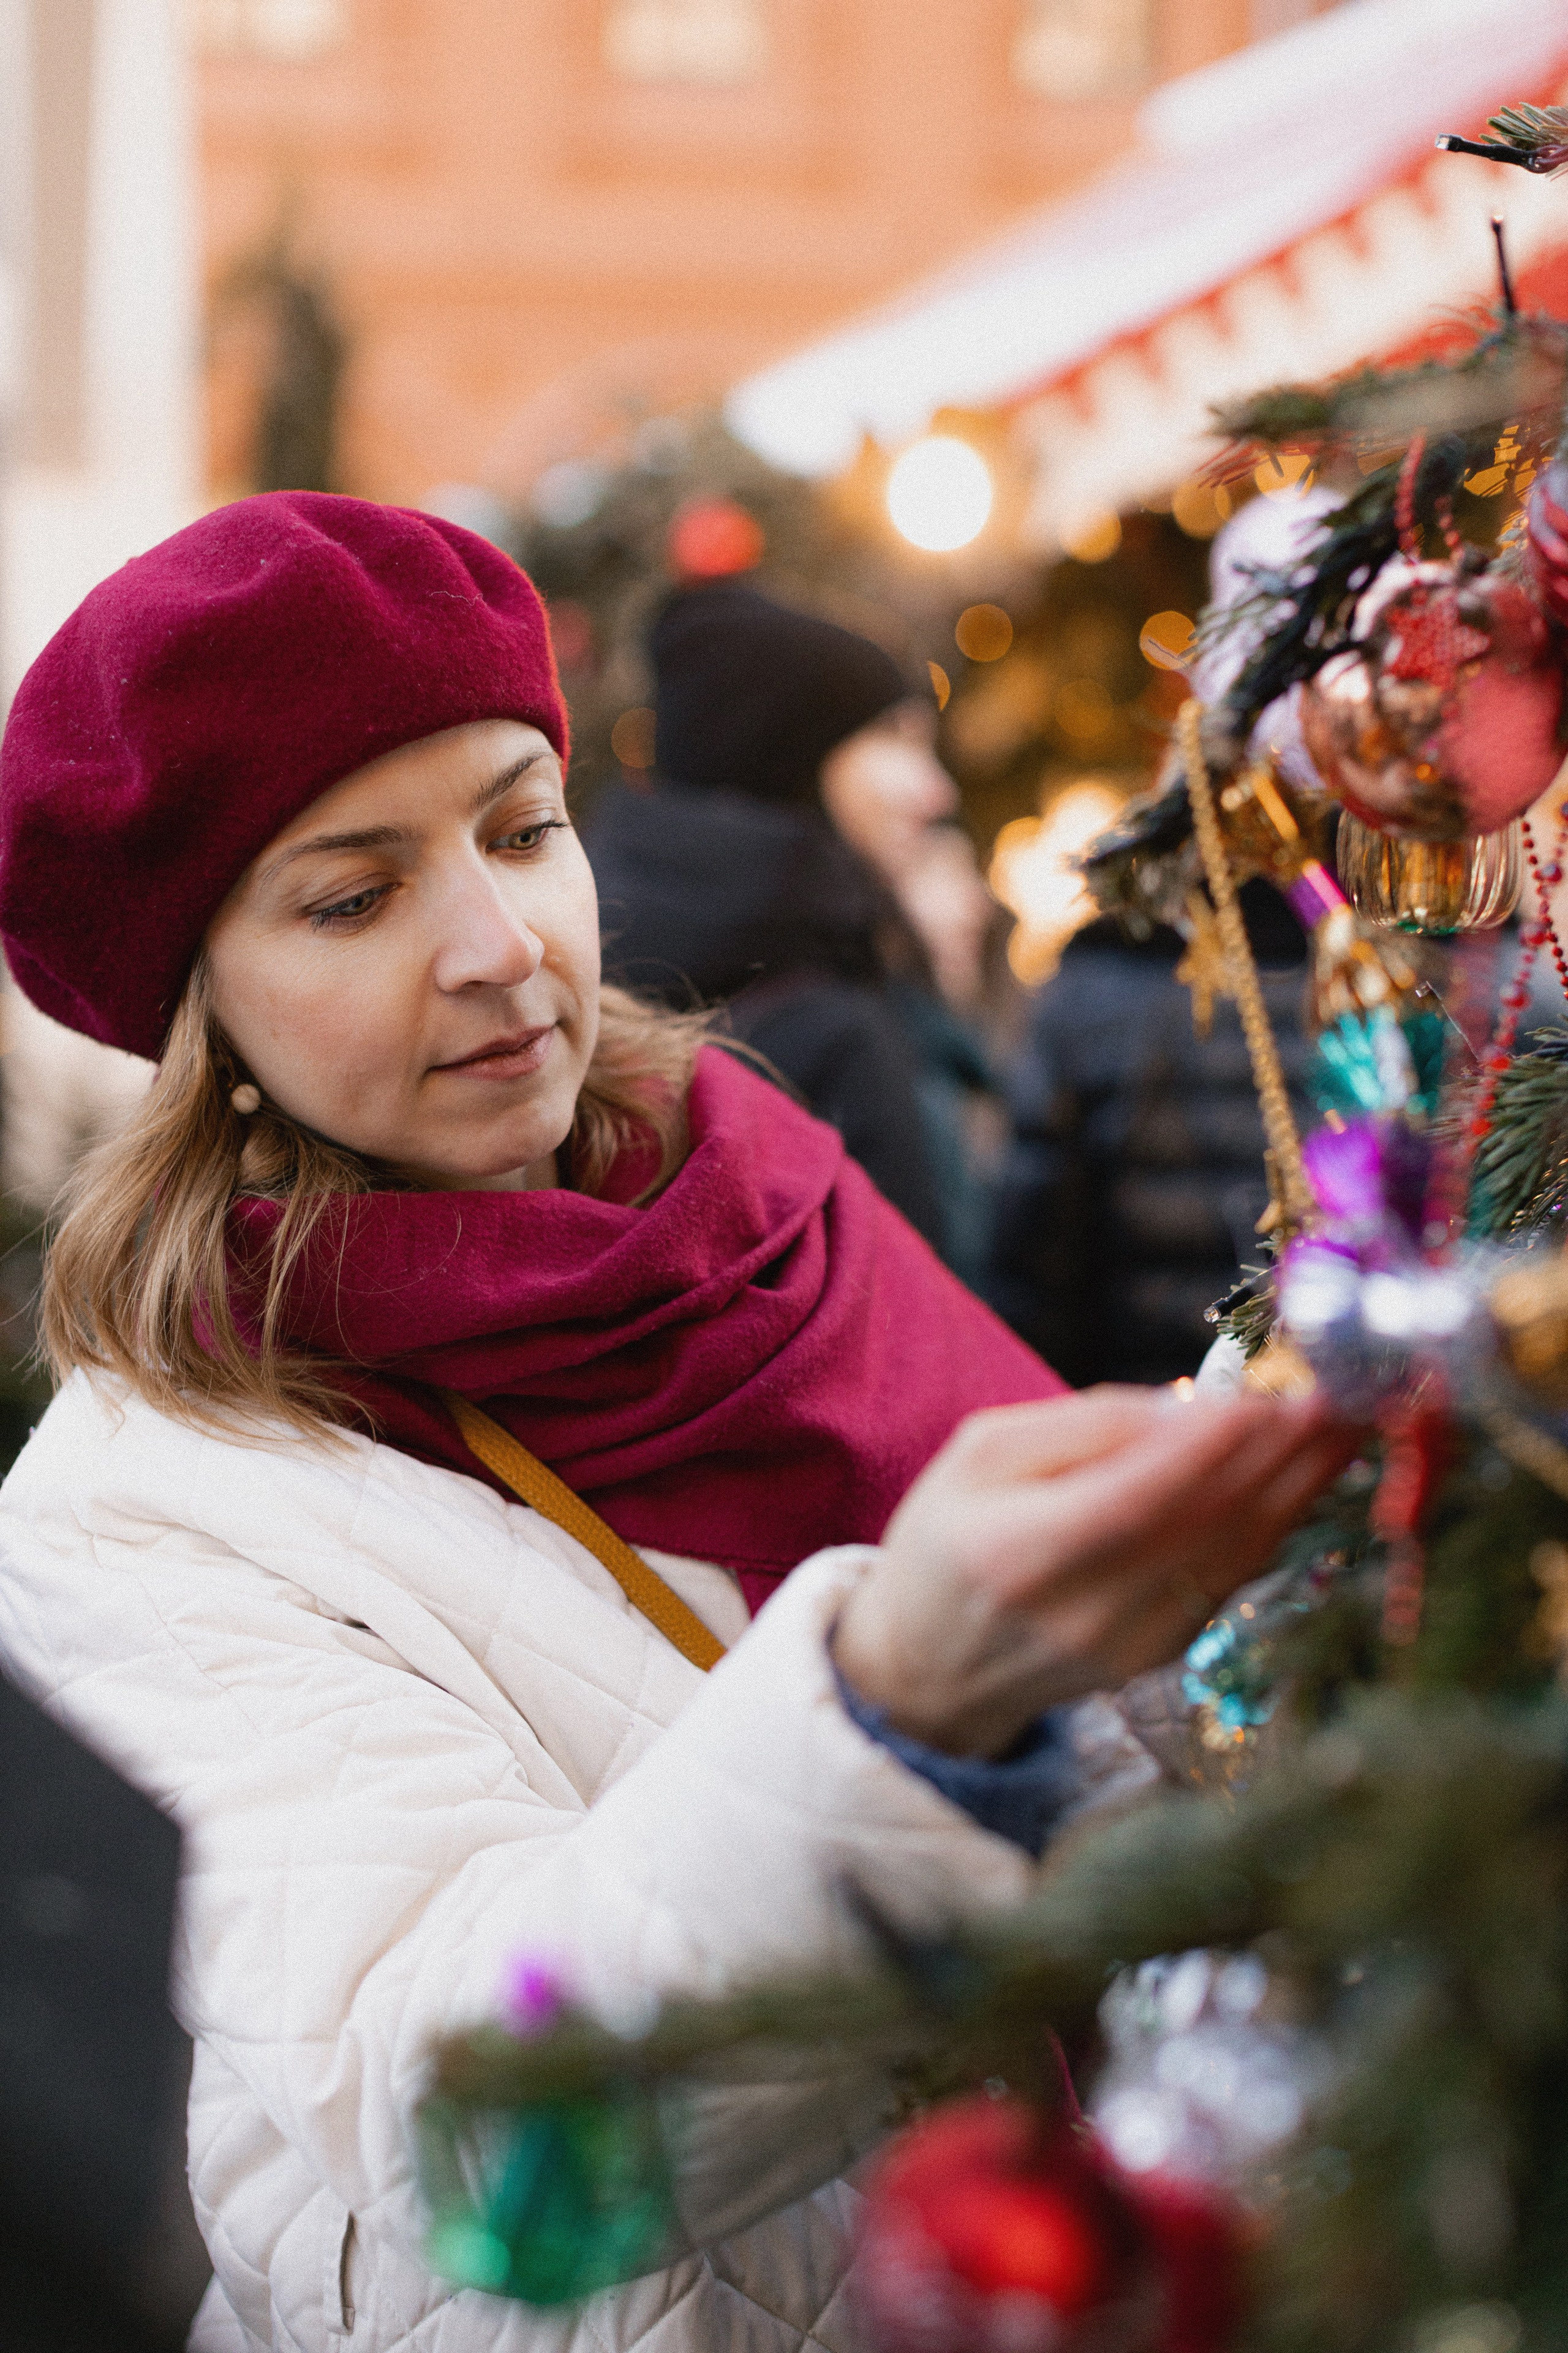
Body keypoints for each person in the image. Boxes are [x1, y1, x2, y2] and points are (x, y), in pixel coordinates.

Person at [0, 494, 1354, 2353]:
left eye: (519, 826)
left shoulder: (765, 1194)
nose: (494, 942)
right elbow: (486, 2143)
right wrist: (891, 1698)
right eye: (352, 891)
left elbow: (1139, 1732)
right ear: (198, 1006)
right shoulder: (140, 1510)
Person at [586, 580, 1000, 1272]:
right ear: (785, 754)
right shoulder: (830, 1024)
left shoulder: (626, 961)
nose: (935, 791)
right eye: (895, 738)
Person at [987, 882, 1313, 1388]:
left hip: (1136, 1413)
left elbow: (1034, 1268)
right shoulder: (1392, 970)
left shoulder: (1091, 992)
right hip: (1335, 1414)